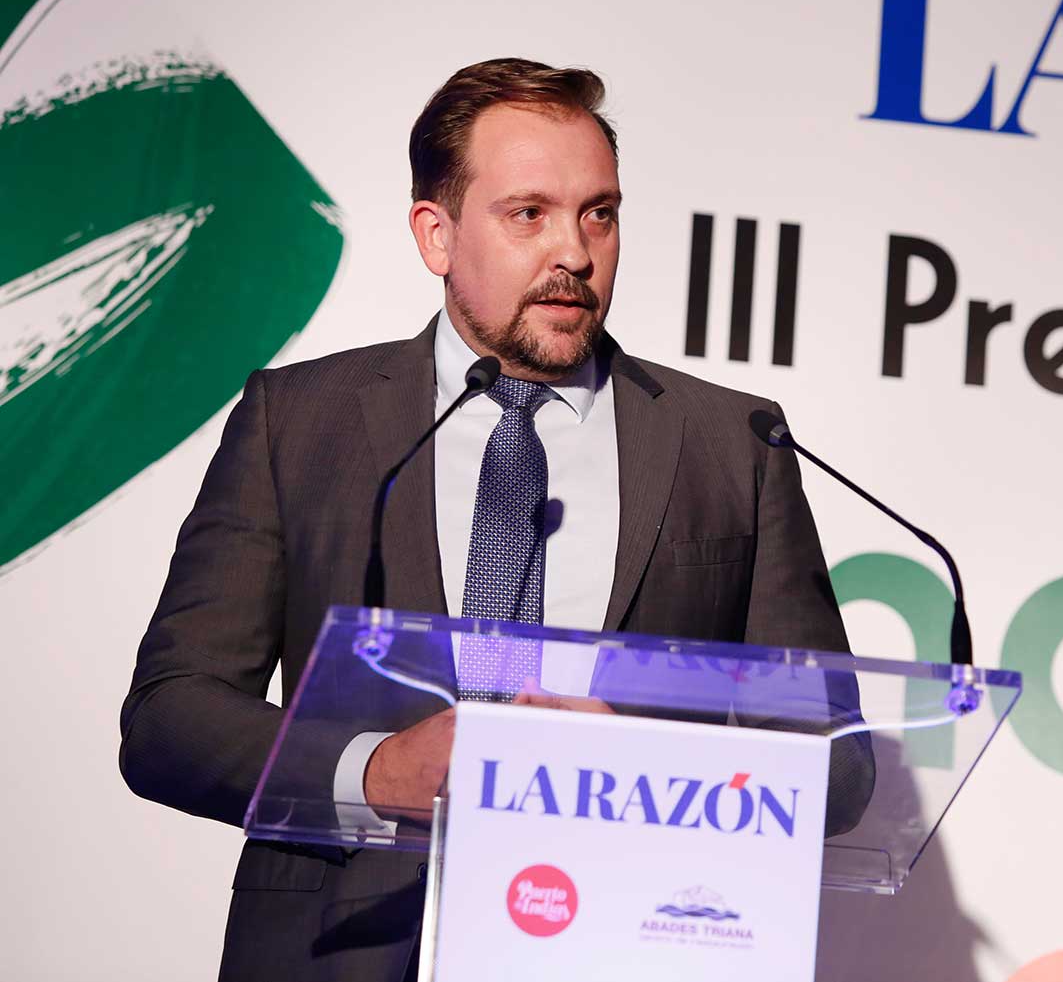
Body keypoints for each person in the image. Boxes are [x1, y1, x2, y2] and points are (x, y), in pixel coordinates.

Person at [120, 58, 866, 981]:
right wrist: (376, 770)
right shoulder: (300, 421)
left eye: (599, 213)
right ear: (436, 235)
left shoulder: (733, 442)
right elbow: (171, 717)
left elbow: (838, 762)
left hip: (623, 945)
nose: (575, 253)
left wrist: (649, 766)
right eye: (529, 213)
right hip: (343, 951)